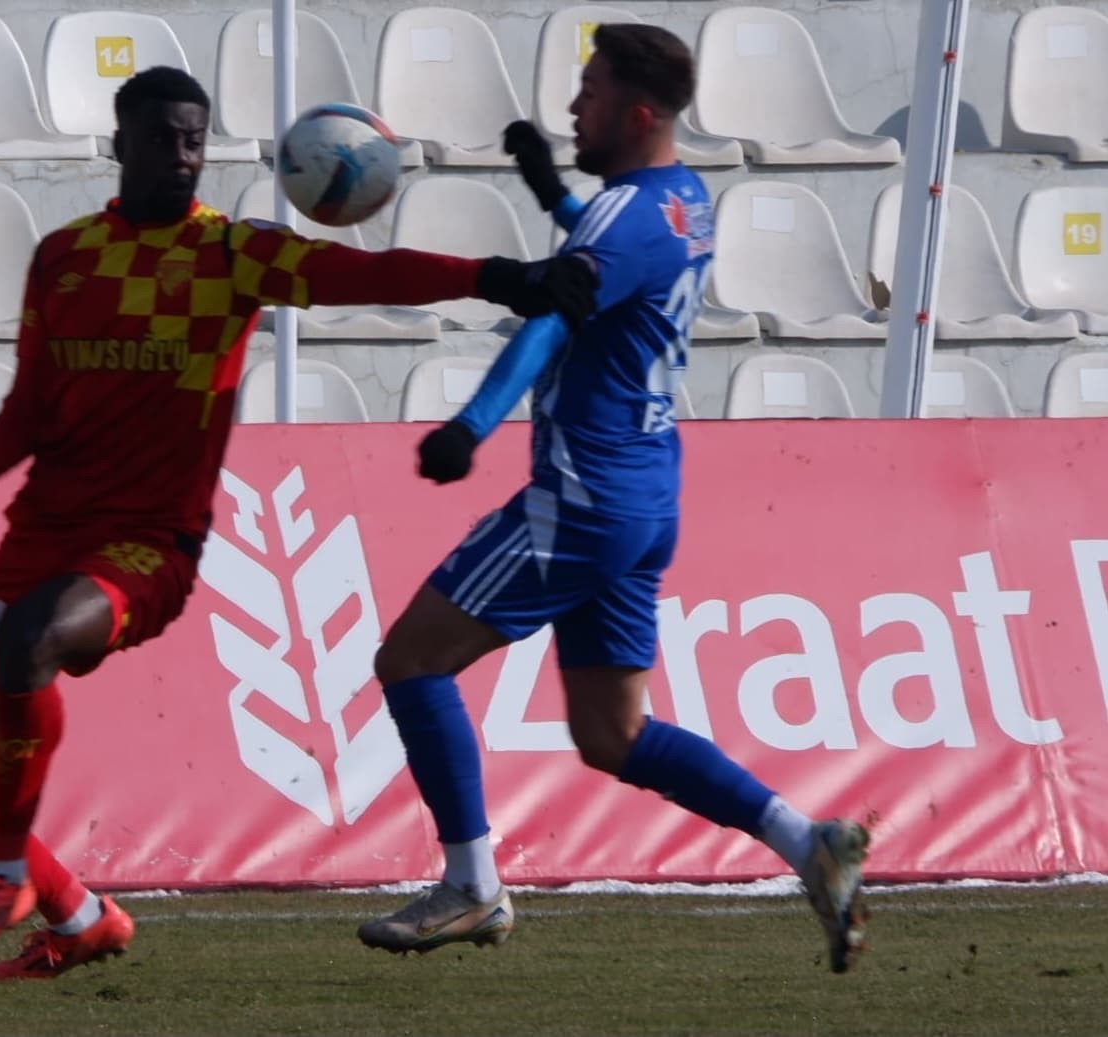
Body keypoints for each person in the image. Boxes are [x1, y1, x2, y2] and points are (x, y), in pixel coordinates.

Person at [0, 66, 597, 982]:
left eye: (196, 139)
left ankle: (3, 872)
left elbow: (365, 272)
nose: (182, 156)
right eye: (165, 137)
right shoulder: (64, 256)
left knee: (33, 640)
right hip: (37, 533)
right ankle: (81, 914)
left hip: (145, 543)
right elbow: (31, 410)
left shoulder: (234, 256)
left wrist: (500, 276)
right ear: (120, 141)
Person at [355, 24, 871, 974]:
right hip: (646, 493)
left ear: (635, 111)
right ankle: (809, 841)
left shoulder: (622, 217)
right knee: (611, 732)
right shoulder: (684, 200)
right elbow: (611, 255)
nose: (571, 107)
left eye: (587, 91)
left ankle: (471, 886)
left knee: (409, 660)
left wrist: (472, 424)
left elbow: (558, 313)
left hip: (582, 495)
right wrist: (548, 190)